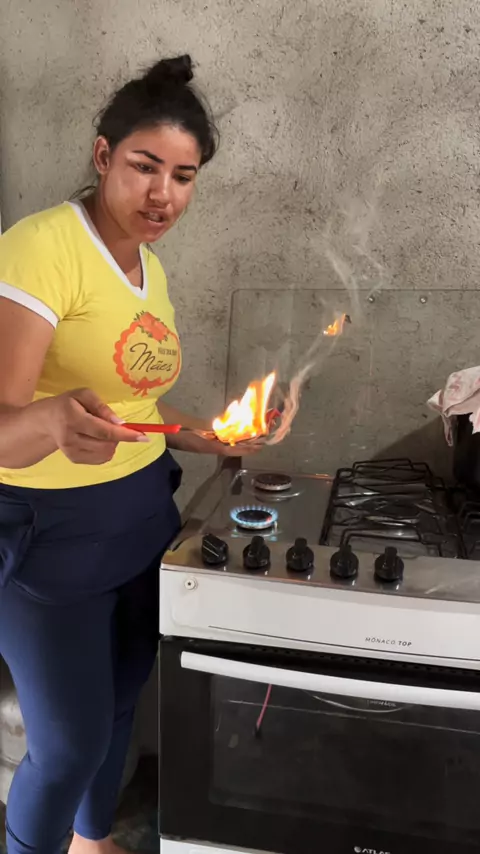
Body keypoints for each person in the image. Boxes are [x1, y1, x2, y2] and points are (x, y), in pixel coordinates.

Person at [0, 54, 255, 854]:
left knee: (120, 701)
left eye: (183, 176)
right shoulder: (41, 249)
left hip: (142, 519)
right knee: (66, 745)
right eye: (145, 166)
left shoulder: (151, 268)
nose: (163, 195)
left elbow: (134, 405)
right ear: (103, 154)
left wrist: (202, 433)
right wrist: (47, 423)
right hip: (48, 537)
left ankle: (90, 838)